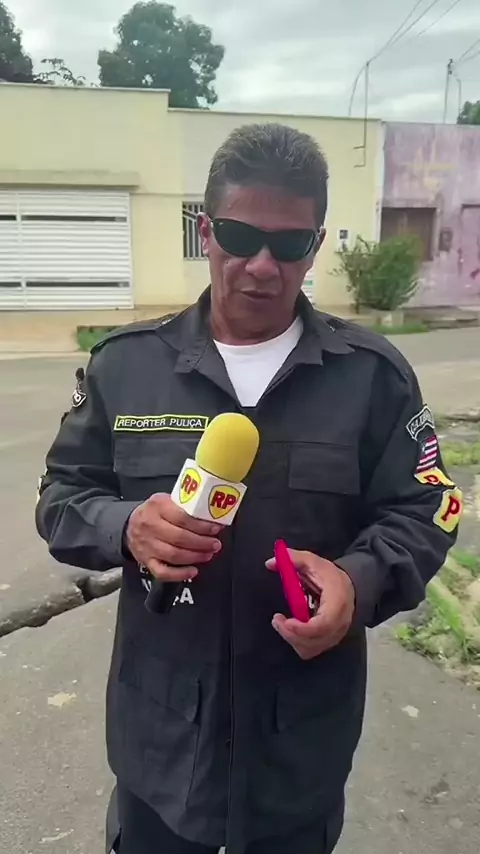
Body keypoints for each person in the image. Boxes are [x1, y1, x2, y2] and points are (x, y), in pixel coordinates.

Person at [36, 123, 462, 854]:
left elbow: (429, 508)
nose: (263, 266)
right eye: (240, 236)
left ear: (316, 245)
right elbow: (61, 498)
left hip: (299, 749)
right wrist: (127, 526)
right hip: (161, 747)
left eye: (289, 244)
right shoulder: (125, 367)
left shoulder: (373, 377)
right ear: (207, 232)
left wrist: (358, 580)